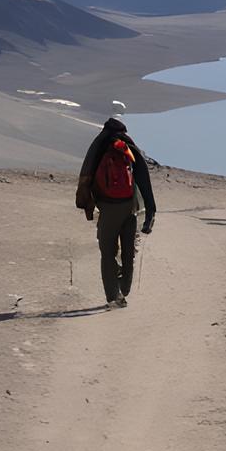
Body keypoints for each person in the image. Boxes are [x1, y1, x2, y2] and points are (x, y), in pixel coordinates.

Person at [75, 117, 157, 308]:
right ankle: (125, 287)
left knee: (107, 252)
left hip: (108, 207)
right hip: (129, 207)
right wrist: (151, 210)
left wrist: (86, 205)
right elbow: (143, 176)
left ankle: (113, 295)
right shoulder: (127, 145)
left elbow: (86, 175)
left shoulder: (100, 144)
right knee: (128, 251)